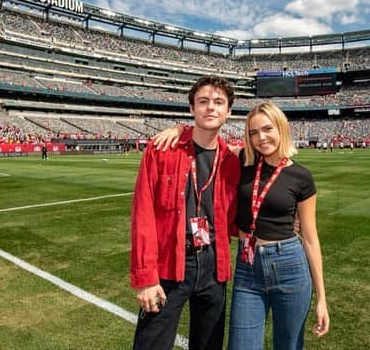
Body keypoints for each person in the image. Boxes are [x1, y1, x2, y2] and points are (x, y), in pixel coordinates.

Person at [154, 101, 330, 349]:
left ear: (281, 128)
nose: (261, 138)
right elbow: (206, 140)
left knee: (289, 345)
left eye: (268, 129)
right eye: (254, 132)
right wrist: (180, 129)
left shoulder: (302, 177)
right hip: (248, 268)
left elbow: (311, 239)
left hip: (289, 264)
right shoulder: (242, 160)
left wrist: (322, 298)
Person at [129, 76, 241, 350]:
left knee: (208, 345)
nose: (210, 108)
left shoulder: (231, 160)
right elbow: (143, 214)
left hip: (214, 265)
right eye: (203, 102)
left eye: (218, 102)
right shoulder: (161, 149)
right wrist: (146, 278)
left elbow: (237, 216)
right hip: (170, 264)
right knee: (151, 344)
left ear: (229, 112)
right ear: (191, 109)